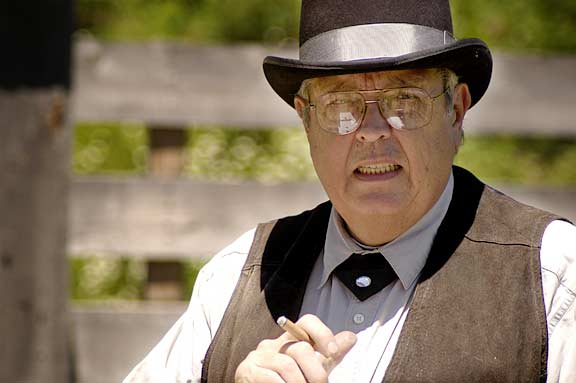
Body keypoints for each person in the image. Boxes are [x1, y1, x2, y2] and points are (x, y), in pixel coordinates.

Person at [124, 0, 576, 382]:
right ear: (305, 120)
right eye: (341, 105)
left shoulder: (551, 275)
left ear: (455, 111)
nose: (372, 132)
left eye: (404, 100)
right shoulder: (235, 277)